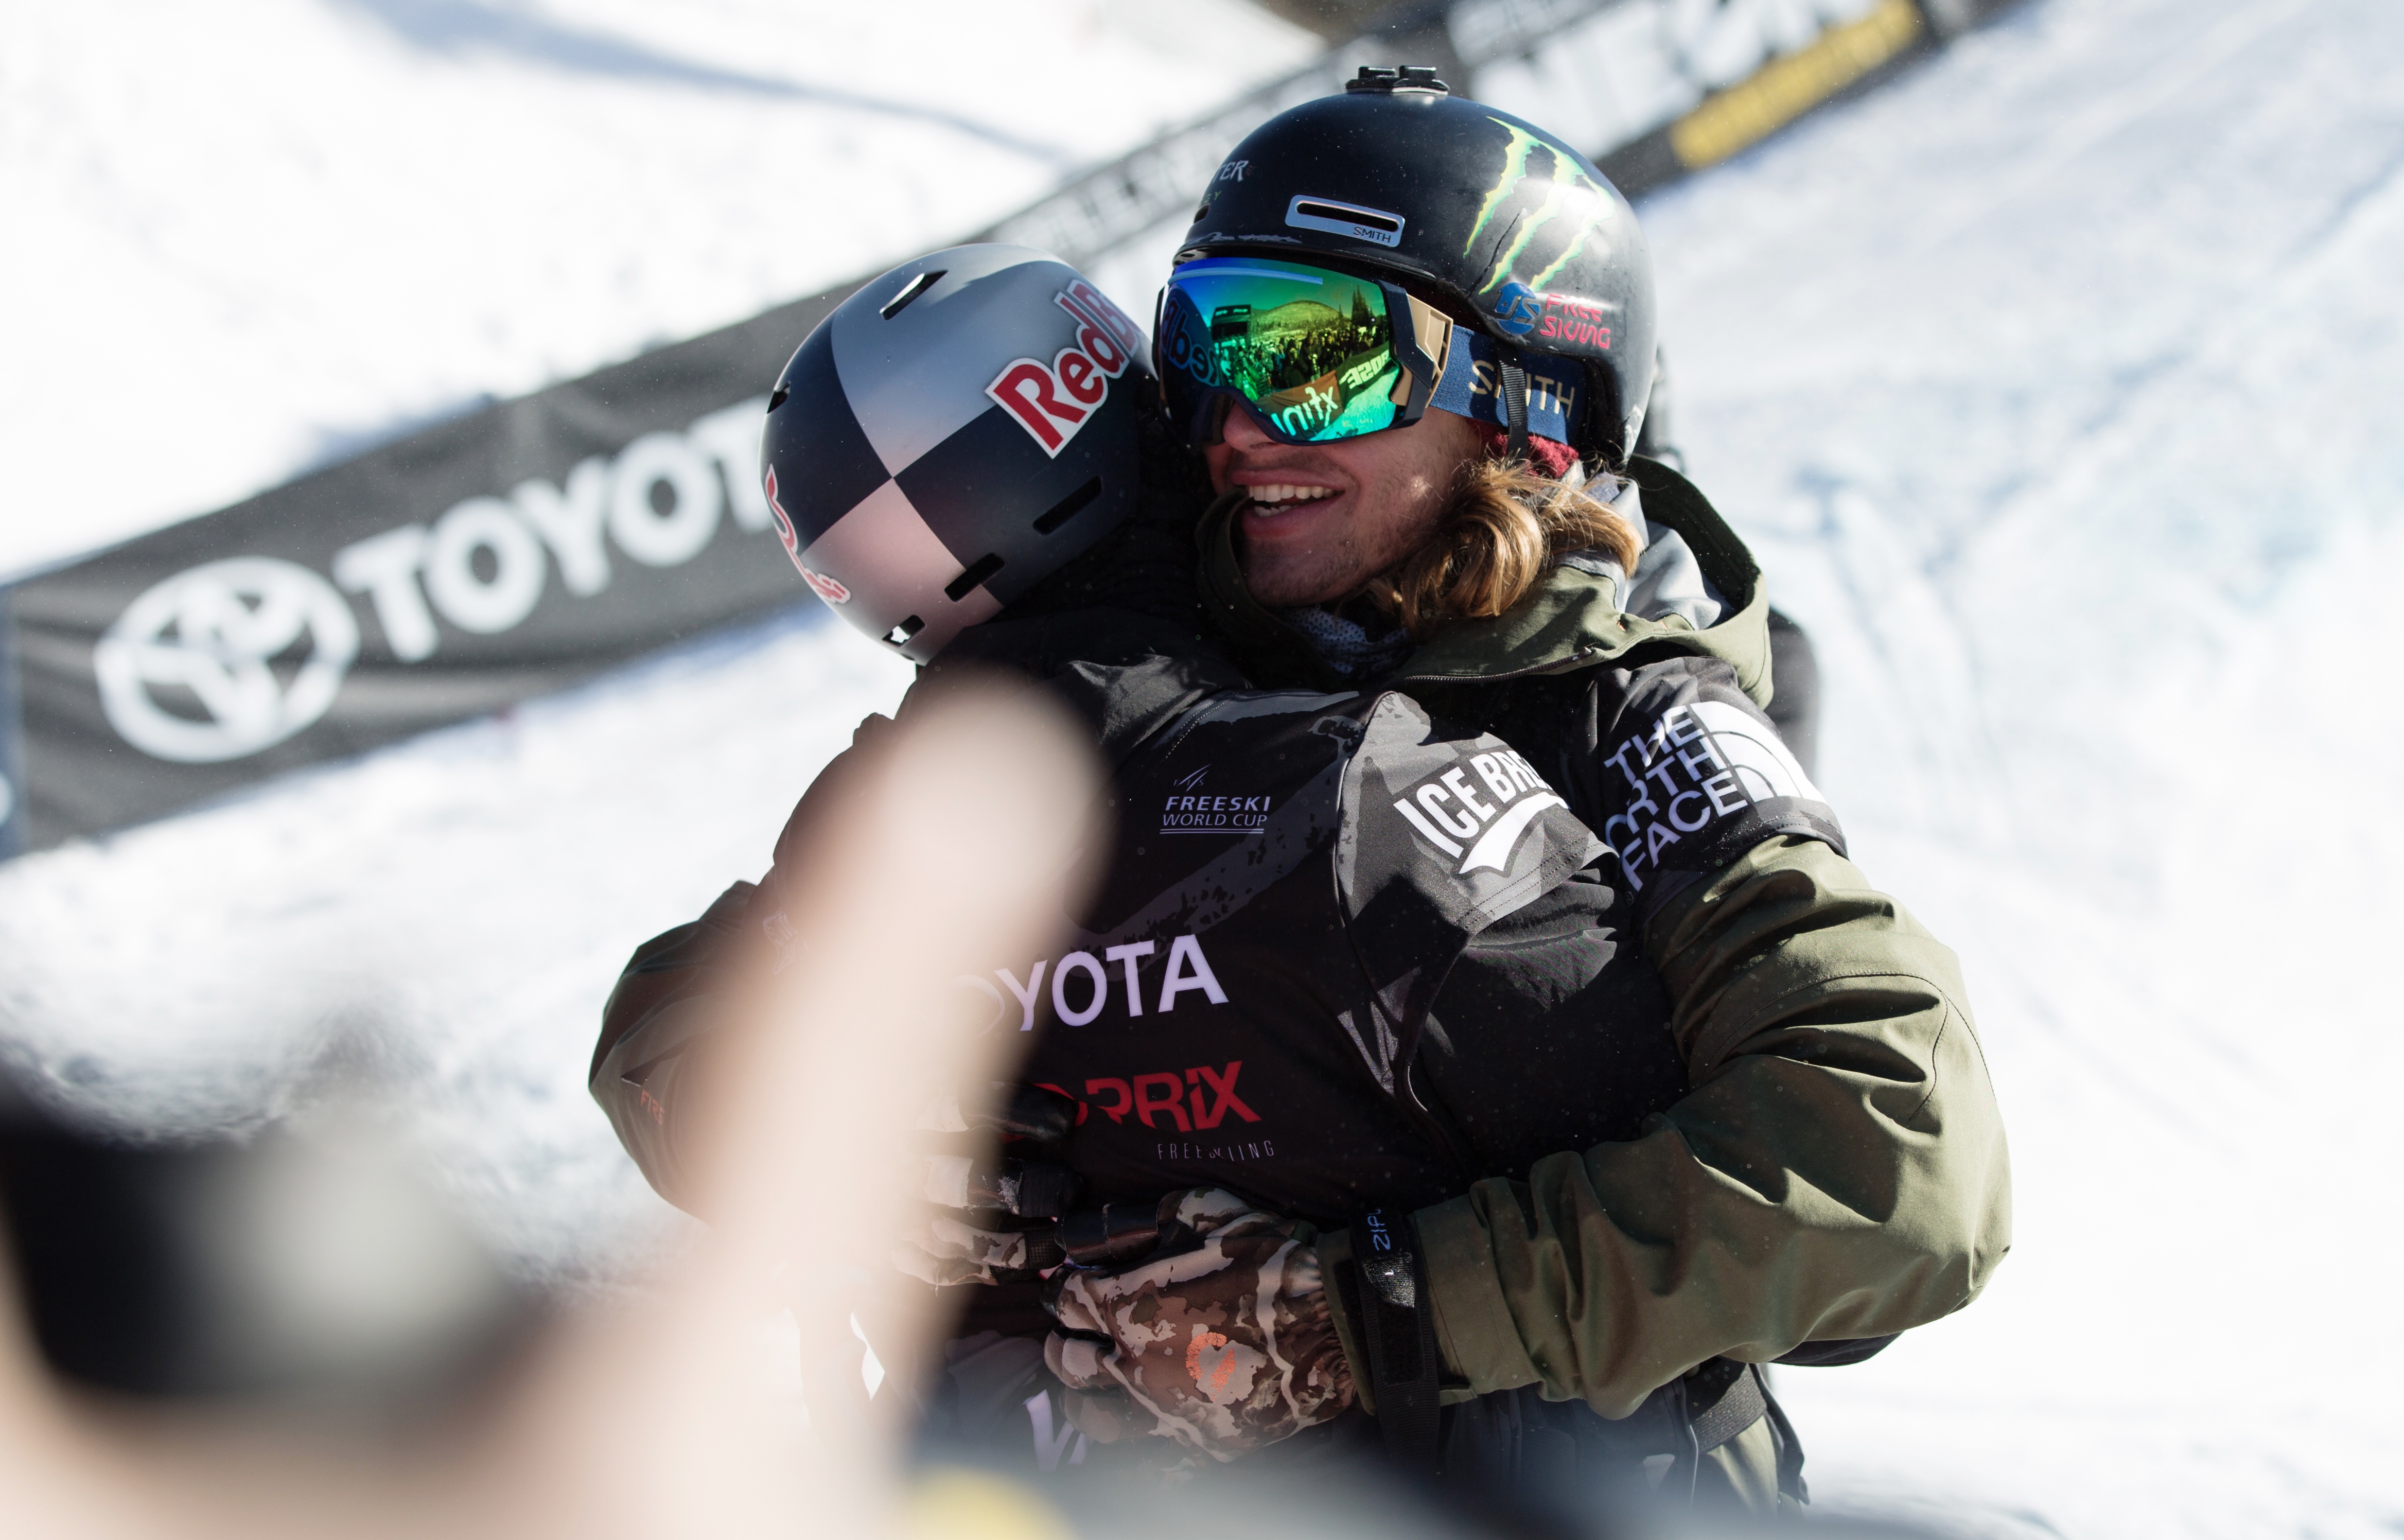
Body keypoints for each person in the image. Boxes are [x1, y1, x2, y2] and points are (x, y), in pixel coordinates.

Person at [591, 73, 2009, 1515]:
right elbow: (672, 1024)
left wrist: (1373, 1310)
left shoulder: (1628, 719)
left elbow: (1896, 1159)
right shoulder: (1171, 661)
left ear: (1520, 396)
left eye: (1312, 358)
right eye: (1202, 352)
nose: (1239, 424)